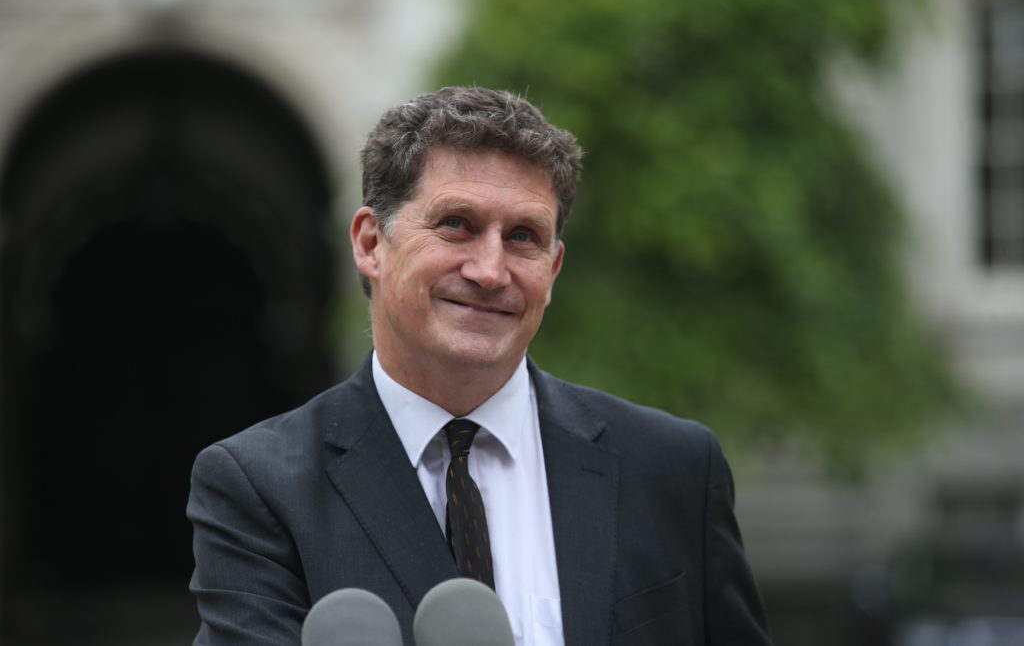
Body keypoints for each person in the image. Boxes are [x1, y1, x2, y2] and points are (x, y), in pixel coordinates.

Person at [187, 86, 773, 646]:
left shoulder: (672, 469)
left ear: (554, 267)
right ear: (370, 244)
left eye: (523, 236)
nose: (491, 271)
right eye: (456, 225)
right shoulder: (260, 487)